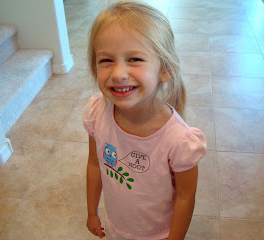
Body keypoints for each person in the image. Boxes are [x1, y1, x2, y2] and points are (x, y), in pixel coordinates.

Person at [83, 1, 207, 239]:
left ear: (165, 68)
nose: (118, 74)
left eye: (134, 59)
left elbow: (185, 196)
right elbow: (95, 164)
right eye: (106, 60)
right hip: (116, 227)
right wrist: (91, 212)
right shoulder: (97, 114)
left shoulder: (180, 141)